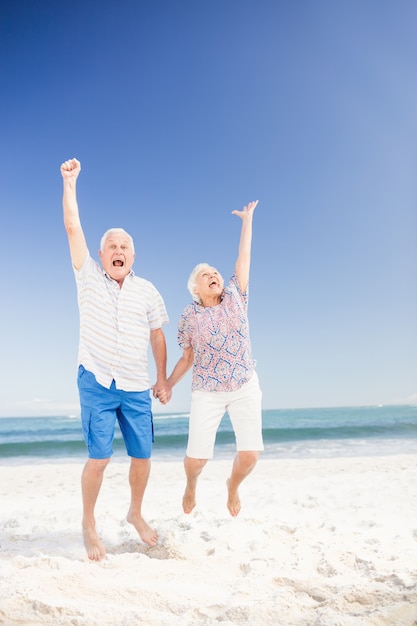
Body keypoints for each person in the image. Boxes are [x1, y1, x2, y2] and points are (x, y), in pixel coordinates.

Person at [60, 157, 171, 561]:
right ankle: (89, 523)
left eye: (125, 246)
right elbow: (73, 227)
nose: (118, 250)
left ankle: (134, 513)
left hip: (136, 383)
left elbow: (157, 334)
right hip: (96, 379)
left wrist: (163, 379)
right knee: (100, 456)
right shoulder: (87, 276)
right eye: (112, 246)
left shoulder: (148, 291)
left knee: (143, 456)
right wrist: (70, 183)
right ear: (102, 254)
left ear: (133, 256)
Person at [164, 200, 263, 517]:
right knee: (196, 460)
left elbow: (243, 257)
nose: (213, 275)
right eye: (205, 274)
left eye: (215, 272)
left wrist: (247, 222)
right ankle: (191, 486)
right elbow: (187, 357)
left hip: (245, 384)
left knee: (249, 456)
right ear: (195, 288)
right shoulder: (189, 316)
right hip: (207, 390)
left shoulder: (236, 294)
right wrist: (167, 383)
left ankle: (232, 486)